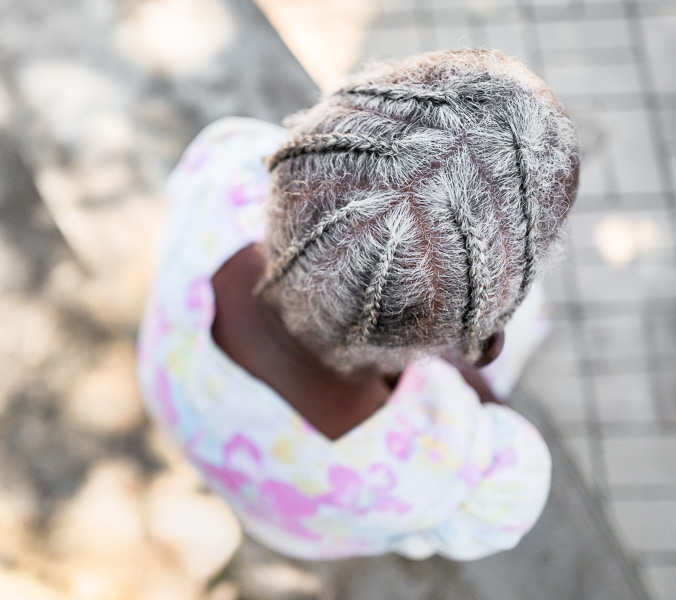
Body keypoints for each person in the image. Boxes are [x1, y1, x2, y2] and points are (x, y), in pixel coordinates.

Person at [136, 49, 580, 561]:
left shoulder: (225, 177)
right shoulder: (448, 463)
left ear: (292, 157)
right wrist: (473, 387)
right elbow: (497, 473)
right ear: (479, 345)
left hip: (180, 402)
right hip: (308, 522)